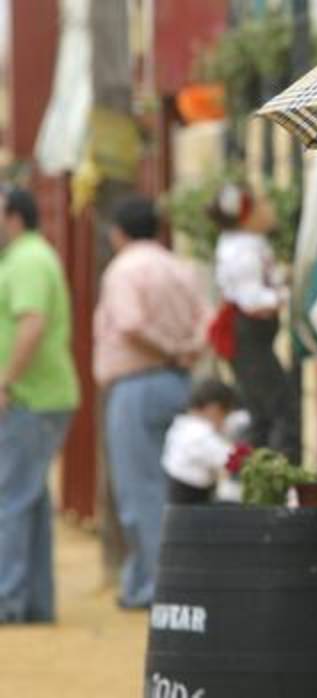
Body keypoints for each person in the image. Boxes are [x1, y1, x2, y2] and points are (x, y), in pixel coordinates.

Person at [94, 194, 210, 609]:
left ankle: (153, 587)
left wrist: (165, 350)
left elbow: (129, 324)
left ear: (118, 233)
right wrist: (185, 351)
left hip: (137, 384)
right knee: (171, 483)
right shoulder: (179, 266)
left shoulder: (124, 269)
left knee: (139, 489)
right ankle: (147, 583)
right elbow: (205, 320)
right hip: (178, 383)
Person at [0, 187, 80, 623]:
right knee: (27, 501)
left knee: (10, 499)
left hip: (29, 397)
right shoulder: (24, 257)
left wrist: (5, 383)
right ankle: (32, 602)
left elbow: (31, 325)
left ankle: (8, 601)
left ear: (13, 215)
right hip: (38, 395)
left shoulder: (28, 259)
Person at [206, 183, 296, 456]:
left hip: (251, 337)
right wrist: (286, 295)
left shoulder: (246, 244)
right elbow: (252, 300)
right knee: (276, 410)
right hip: (248, 337)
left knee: (266, 410)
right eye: (263, 204)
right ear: (248, 215)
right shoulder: (242, 251)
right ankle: (270, 472)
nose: (270, 209)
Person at [162, 378, 245, 505]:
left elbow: (236, 421)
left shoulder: (183, 425)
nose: (224, 420)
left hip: (188, 503)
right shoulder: (197, 436)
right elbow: (232, 459)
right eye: (225, 414)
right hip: (189, 506)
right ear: (214, 409)